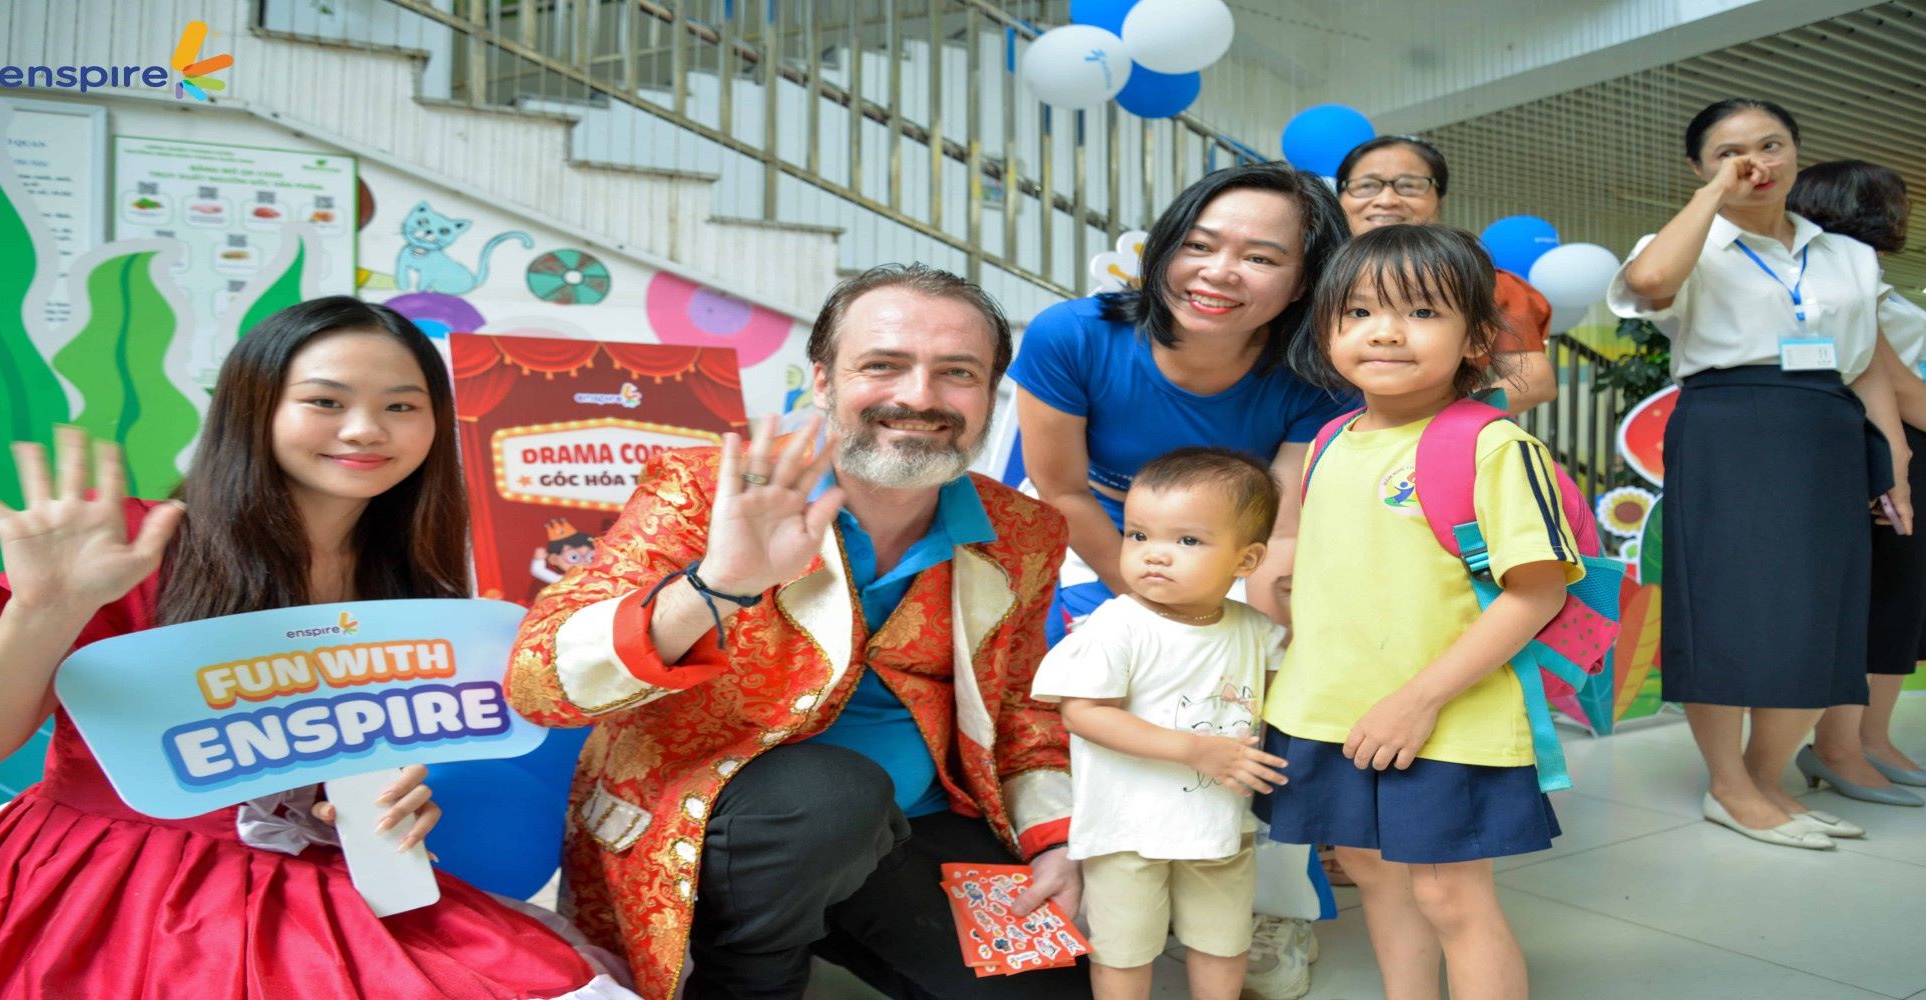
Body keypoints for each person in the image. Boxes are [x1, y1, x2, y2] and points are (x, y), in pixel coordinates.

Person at [0, 298, 633, 999]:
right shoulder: (134, 549)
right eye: (325, 401)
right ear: (253, 407)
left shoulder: (414, 594)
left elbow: (356, 775)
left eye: (402, 406)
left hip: (314, 885)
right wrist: (44, 608)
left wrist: (393, 804)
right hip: (108, 894)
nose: (365, 429)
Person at [505, 264, 1088, 1000]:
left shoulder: (1024, 532)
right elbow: (539, 684)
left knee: (1058, 992)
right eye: (883, 365)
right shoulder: (704, 490)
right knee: (832, 797)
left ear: (990, 393)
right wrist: (716, 587)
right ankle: (748, 979)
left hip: (913, 828)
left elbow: (1022, 707)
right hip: (720, 829)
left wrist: (1057, 840)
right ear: (822, 381)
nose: (919, 396)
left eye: (957, 372)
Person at [1008, 162, 1348, 998]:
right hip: (1096, 536)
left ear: (1304, 281)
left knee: (1260, 704)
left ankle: (1268, 907)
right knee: (1072, 698)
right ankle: (1084, 873)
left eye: (1261, 257)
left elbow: (1284, 528)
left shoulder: (1313, 378)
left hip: (1232, 551)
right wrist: (1151, 609)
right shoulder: (1073, 335)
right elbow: (1061, 490)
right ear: (1165, 247)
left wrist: (1253, 643)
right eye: (1200, 244)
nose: (1219, 272)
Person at [1259, 224, 1578, 1000]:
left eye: (1423, 312)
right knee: (1372, 871)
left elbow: (1538, 591)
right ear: (1327, 329)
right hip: (1330, 711)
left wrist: (1418, 700)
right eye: (1359, 311)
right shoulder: (1329, 440)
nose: (1386, 332)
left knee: (1449, 895)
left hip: (1445, 716)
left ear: (1478, 339)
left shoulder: (1495, 447)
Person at [1607, 98, 1916, 849]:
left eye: (1771, 145)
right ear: (1698, 166)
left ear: (1796, 152)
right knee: (1728, 605)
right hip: (1729, 425)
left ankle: (1764, 779)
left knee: (1821, 610)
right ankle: (1728, 784)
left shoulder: (1847, 254)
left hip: (1828, 426)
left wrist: (1895, 458)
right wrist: (1716, 196)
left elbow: (1866, 364)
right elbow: (1650, 282)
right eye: (1729, 151)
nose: (1755, 162)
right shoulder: (1688, 239)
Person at [1030, 448, 1291, 1000]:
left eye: (1188, 540)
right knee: (1124, 949)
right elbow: (1082, 713)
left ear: (1247, 560)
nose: (1155, 554)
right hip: (1126, 830)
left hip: (1220, 823)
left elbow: (1284, 696)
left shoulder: (1254, 630)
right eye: (1139, 535)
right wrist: (1196, 751)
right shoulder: (1116, 627)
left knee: (1224, 939)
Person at [1788, 160, 1926, 801]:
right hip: (1872, 453)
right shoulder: (1834, 288)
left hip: (1919, 453)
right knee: (1877, 602)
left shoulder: (1880, 290)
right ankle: (1839, 747)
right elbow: (1892, 383)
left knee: (1906, 602)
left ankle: (1873, 739)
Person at [1333, 135, 1559, 413]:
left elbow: (1535, 382)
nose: (1387, 199)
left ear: (1439, 199)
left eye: (1409, 185)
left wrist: (1439, 420)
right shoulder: (1305, 279)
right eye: (1367, 185)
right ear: (1340, 198)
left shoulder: (1487, 284)